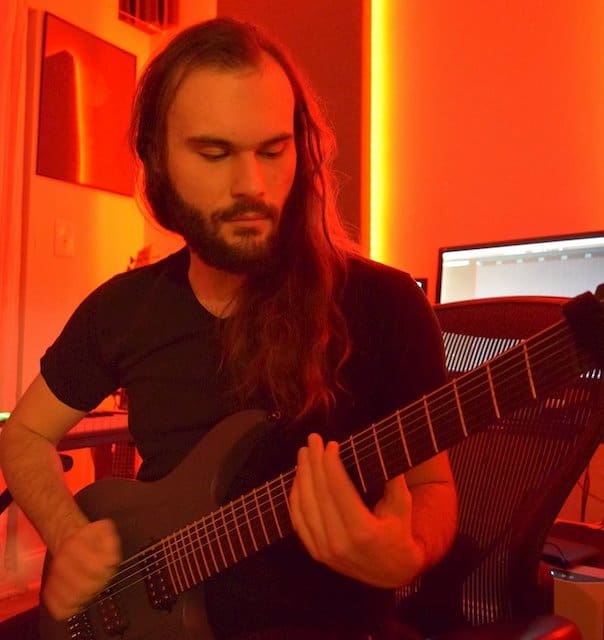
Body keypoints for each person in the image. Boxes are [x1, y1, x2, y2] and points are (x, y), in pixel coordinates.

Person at [0, 17, 457, 640]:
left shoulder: (385, 305)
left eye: (273, 150)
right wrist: (67, 534)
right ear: (157, 159)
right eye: (214, 154)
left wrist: (407, 553)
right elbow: (24, 433)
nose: (252, 186)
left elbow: (433, 485)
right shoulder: (123, 310)